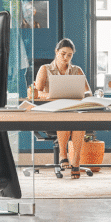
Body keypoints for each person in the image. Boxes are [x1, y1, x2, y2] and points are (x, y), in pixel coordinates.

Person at [34, 38, 92, 179]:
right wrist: (49, 96)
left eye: (69, 55)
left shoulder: (77, 70)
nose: (66, 58)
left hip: (73, 111)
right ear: (56, 52)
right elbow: (36, 93)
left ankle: (76, 161)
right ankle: (63, 154)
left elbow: (89, 92)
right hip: (53, 114)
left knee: (77, 118)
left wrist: (80, 96)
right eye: (63, 54)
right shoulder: (45, 69)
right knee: (65, 115)